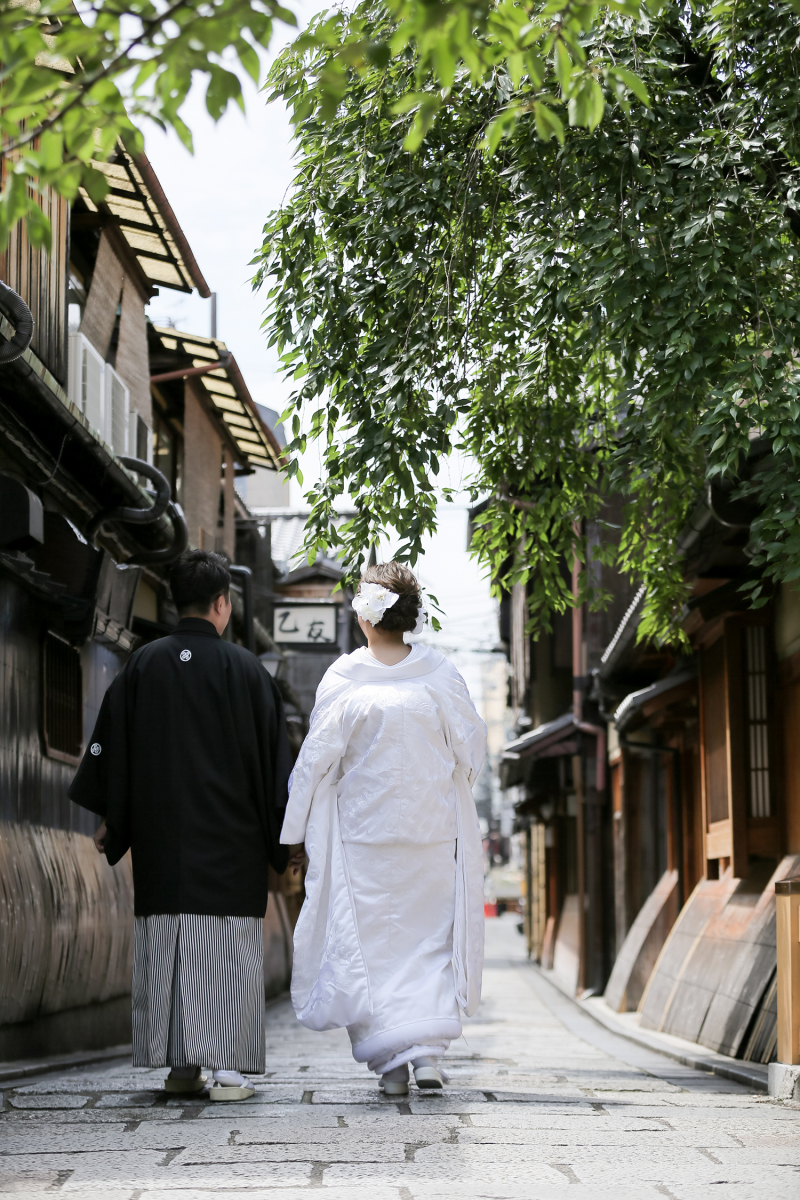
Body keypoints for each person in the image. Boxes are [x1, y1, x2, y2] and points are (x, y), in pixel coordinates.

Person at [69, 549, 291, 1102]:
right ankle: (231, 1072)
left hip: (164, 843)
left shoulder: (142, 665)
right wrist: (286, 841)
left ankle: (183, 1066)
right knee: (226, 952)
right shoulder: (249, 672)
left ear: (175, 601)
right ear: (223, 603)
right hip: (232, 848)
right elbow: (276, 765)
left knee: (170, 949)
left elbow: (108, 746)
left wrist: (111, 822)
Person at [280, 561, 487, 1096]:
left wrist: (293, 829)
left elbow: (315, 761)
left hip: (364, 836)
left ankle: (392, 1064)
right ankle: (427, 1058)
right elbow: (471, 751)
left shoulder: (346, 680)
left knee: (371, 948)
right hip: (431, 832)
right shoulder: (440, 675)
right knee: (427, 944)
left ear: (365, 619)